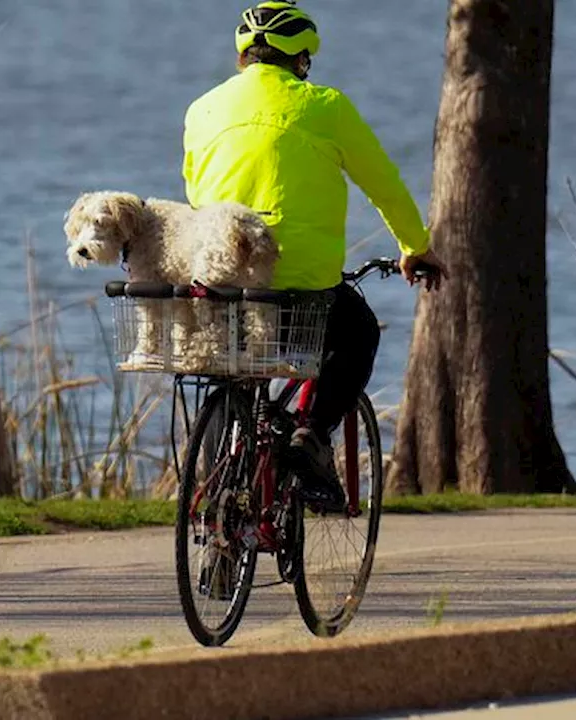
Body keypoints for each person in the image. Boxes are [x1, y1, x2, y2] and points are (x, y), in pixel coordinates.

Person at [181, 0, 445, 511]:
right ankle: (312, 434)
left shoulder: (201, 109)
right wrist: (415, 248)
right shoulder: (326, 106)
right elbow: (385, 185)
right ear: (301, 59)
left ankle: (219, 516)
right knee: (358, 333)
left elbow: (197, 194)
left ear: (244, 56)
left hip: (219, 276)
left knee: (232, 363)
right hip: (300, 284)